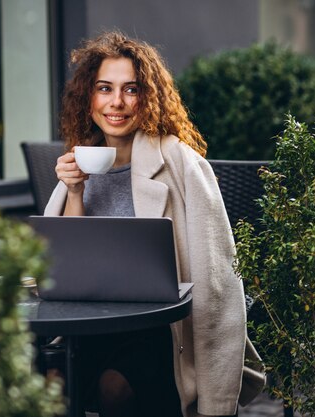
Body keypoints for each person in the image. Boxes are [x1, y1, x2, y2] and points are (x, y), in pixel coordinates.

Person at [43, 31, 265, 417]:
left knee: (115, 389)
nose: (116, 102)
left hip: (161, 334)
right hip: (91, 327)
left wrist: (216, 395)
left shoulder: (180, 163)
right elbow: (64, 269)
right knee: (49, 388)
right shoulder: (80, 162)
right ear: (88, 97)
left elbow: (218, 281)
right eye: (104, 88)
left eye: (131, 89)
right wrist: (74, 191)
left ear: (148, 97)